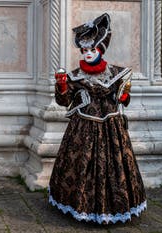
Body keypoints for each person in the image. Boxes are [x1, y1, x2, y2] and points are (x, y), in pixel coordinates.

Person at [48, 13, 146, 224]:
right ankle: (79, 205)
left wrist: (125, 95)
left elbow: (123, 98)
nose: (88, 53)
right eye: (84, 50)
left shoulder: (117, 74)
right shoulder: (75, 75)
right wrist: (62, 85)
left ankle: (115, 207)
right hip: (83, 126)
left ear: (99, 50)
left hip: (111, 126)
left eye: (92, 50)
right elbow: (64, 101)